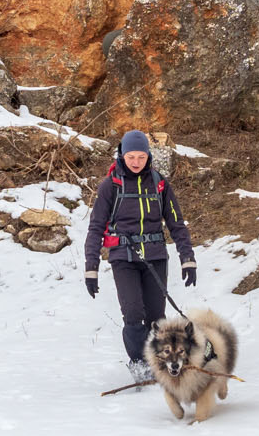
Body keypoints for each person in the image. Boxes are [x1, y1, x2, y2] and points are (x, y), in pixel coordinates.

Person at [83, 129, 197, 384]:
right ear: (122, 155)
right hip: (124, 258)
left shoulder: (159, 183)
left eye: (141, 156)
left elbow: (176, 223)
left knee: (157, 318)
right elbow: (95, 227)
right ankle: (140, 366)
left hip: (156, 257)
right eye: (131, 156)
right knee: (133, 316)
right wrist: (91, 267)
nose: (136, 162)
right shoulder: (111, 185)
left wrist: (187, 258)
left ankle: (160, 364)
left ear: (148, 156)